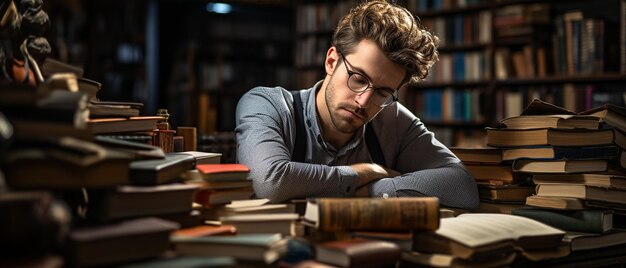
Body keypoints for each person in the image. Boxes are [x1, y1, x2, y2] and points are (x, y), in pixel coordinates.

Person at [235, 0, 479, 210]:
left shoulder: (393, 120)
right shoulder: (267, 105)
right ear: (331, 61)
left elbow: (462, 186)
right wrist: (366, 172)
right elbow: (270, 182)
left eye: (382, 92)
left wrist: (372, 190)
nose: (363, 101)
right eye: (359, 79)